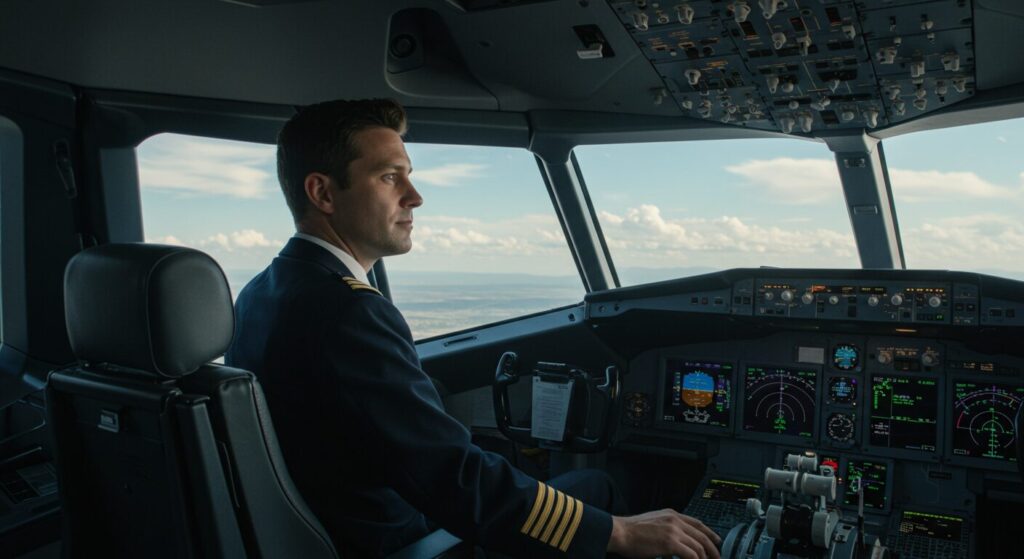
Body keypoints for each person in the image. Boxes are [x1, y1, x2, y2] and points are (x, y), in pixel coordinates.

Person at [225, 99, 720, 559]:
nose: (414, 197)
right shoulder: (345, 311)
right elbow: (453, 480)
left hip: (340, 527)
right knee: (601, 495)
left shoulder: (265, 291)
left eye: (408, 177)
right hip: (398, 543)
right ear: (323, 192)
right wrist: (622, 532)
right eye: (389, 177)